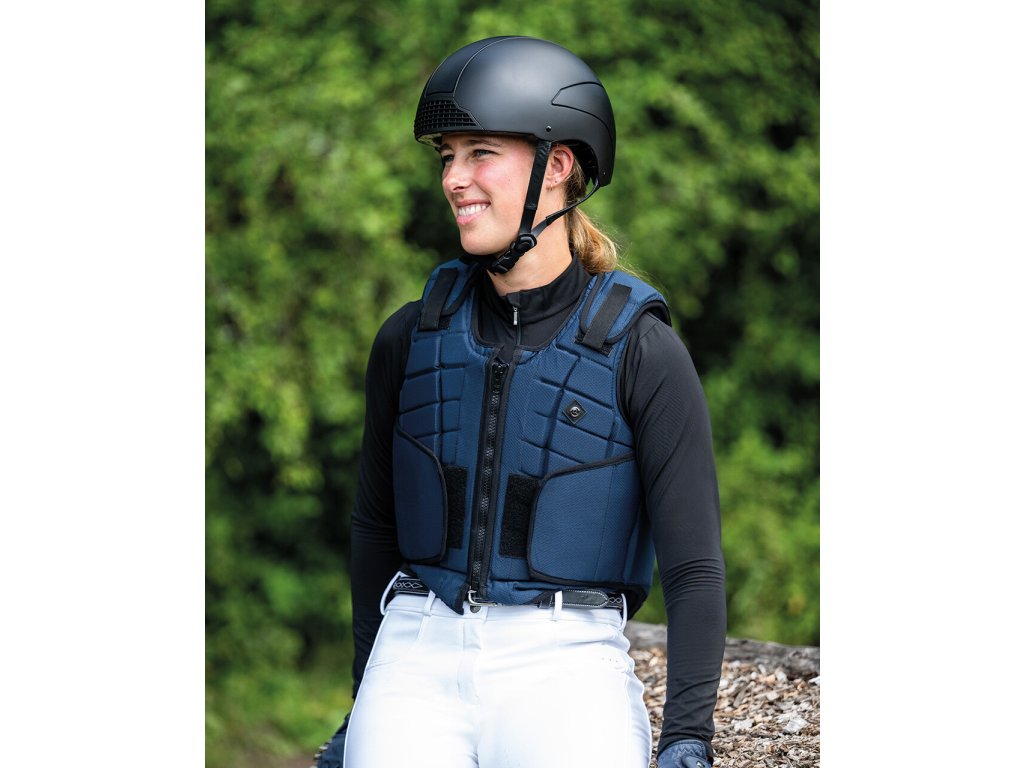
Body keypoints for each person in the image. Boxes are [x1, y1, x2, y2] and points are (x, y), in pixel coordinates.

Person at [314, 36, 726, 768]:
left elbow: (692, 566)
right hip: (417, 648)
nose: (454, 179)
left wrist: (688, 736)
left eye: (480, 153)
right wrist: (363, 700)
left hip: (566, 659)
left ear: (558, 166)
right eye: (447, 156)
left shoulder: (643, 350)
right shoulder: (409, 338)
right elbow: (375, 529)